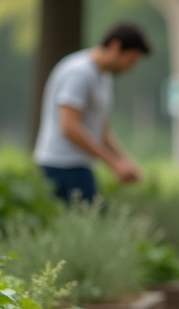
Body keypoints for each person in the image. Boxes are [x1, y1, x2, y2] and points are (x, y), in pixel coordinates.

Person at [33, 22, 151, 203]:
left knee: (92, 215)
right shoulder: (79, 73)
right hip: (61, 165)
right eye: (130, 60)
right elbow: (69, 126)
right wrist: (113, 163)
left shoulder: (102, 76)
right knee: (90, 216)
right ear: (115, 46)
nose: (129, 68)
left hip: (79, 164)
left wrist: (124, 160)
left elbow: (101, 128)